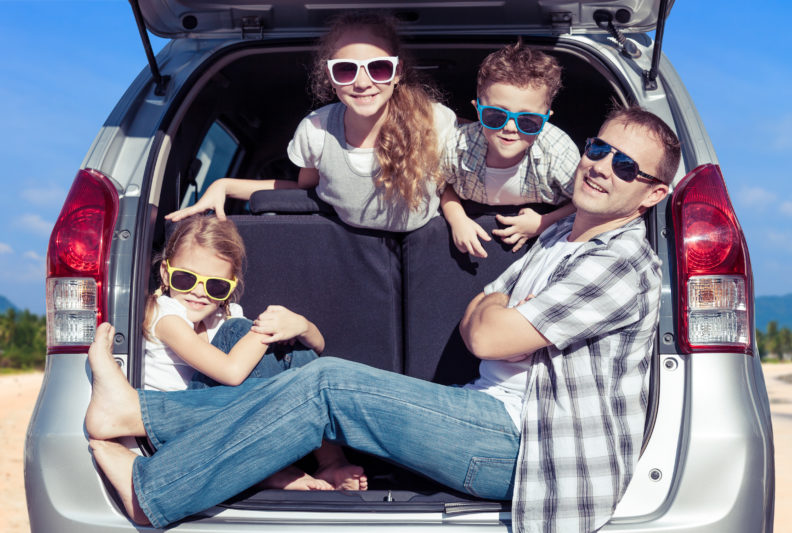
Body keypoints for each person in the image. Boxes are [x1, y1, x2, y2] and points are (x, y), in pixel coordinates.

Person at [85, 107, 680, 531]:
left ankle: (151, 488)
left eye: (628, 167)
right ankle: (137, 416)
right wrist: (496, 315)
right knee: (309, 373)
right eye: (599, 150)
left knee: (328, 384)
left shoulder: (621, 261)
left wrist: (499, 314)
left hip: (529, 448)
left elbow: (485, 332)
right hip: (487, 414)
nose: (602, 167)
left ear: (653, 195)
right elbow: (480, 314)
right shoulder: (558, 239)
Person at [167, 12, 456, 233]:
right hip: (351, 246)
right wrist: (224, 185)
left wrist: (461, 217)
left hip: (428, 241)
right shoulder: (316, 130)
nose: (362, 82)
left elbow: (463, 179)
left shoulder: (434, 120)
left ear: (397, 72)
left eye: (378, 68)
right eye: (346, 70)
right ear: (330, 77)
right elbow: (303, 191)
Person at [142, 215, 365, 491]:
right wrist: (268, 329)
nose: (199, 292)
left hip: (215, 422)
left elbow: (317, 348)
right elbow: (231, 372)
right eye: (186, 279)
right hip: (177, 431)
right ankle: (269, 471)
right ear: (166, 274)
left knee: (291, 350)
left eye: (215, 285)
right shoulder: (164, 316)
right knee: (242, 332)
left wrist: (300, 325)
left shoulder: (223, 316)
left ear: (231, 286)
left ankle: (331, 461)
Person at [440, 40, 581, 258]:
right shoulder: (458, 147)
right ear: (478, 110)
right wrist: (457, 219)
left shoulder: (558, 152)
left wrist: (544, 222)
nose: (510, 128)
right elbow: (442, 185)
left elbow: (583, 203)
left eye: (528, 120)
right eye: (496, 115)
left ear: (546, 119)